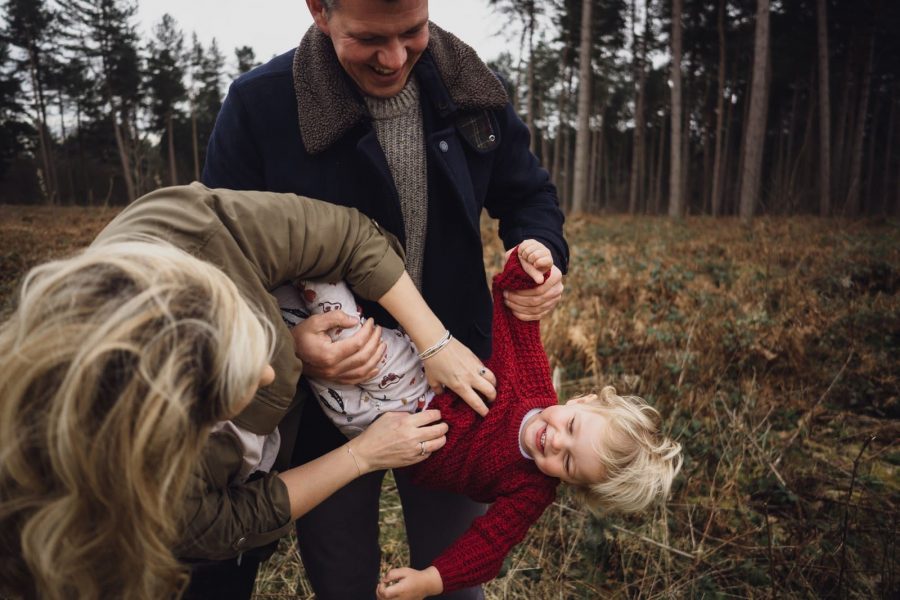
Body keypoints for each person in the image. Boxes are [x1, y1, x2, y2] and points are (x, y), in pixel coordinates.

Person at [202, 1, 569, 596]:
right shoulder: (261, 105)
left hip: (458, 385)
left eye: (412, 32)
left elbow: (527, 194)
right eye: (370, 39)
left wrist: (538, 249)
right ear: (320, 11)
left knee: (453, 581)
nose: (394, 58)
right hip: (324, 401)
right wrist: (289, 346)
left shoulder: (471, 89)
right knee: (341, 574)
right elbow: (219, 262)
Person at [0, 184, 491, 600]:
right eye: (233, 386)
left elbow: (348, 236)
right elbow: (230, 520)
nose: (270, 376)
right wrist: (362, 455)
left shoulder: (192, 227)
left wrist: (432, 342)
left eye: (252, 338)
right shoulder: (141, 494)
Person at [281, 241, 683, 599]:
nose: (557, 442)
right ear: (582, 399)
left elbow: (488, 546)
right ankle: (315, 246)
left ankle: (278, 304)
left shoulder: (531, 491)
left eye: (570, 464)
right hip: (411, 384)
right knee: (348, 340)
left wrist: (430, 581)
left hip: (370, 426)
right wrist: (530, 266)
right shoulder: (533, 383)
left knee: (309, 347)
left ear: (574, 485)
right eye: (573, 426)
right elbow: (516, 315)